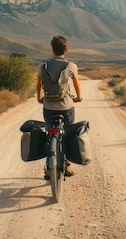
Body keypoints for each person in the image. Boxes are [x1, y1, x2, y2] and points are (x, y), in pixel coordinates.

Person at [36, 35, 82, 178]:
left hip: (48, 107)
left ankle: (49, 168)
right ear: (66, 50)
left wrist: (39, 98)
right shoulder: (71, 66)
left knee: (50, 134)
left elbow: (38, 84)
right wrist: (78, 98)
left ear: (52, 49)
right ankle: (67, 165)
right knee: (67, 134)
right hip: (66, 107)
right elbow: (76, 84)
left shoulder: (43, 66)